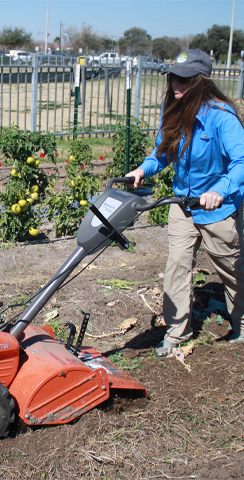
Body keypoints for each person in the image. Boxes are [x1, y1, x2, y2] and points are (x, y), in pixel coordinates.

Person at [127, 49, 244, 357]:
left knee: (231, 268)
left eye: (184, 79)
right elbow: (162, 154)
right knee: (177, 266)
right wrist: (143, 169)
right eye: (173, 77)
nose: (176, 83)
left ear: (201, 82)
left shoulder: (222, 117)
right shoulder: (174, 110)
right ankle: (177, 332)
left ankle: (241, 323)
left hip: (218, 207)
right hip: (183, 204)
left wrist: (220, 189)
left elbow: (241, 162)